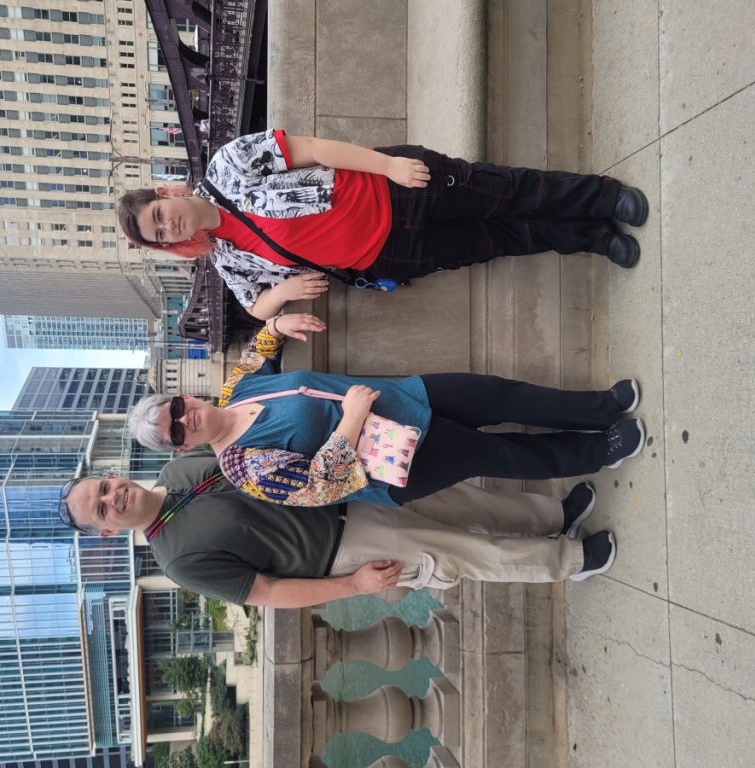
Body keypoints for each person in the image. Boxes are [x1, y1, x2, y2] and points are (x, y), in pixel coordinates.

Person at [115, 129, 649, 318]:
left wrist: (389, 164)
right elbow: (253, 305)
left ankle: (604, 197)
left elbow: (312, 149)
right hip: (390, 255)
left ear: (166, 194)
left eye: (160, 216)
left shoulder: (227, 165)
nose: (172, 227)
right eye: (161, 235)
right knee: (505, 238)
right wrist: (284, 295)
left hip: (395, 188)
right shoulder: (227, 257)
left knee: (510, 190)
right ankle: (594, 238)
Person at [127, 314, 645, 508]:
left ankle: (602, 406)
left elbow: (259, 347)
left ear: (184, 395)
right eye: (174, 432)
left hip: (404, 396)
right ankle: (598, 451)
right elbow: (316, 490)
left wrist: (280, 326)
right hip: (396, 458)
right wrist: (350, 420)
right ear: (183, 447)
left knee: (503, 394)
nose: (182, 418)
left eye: (175, 407)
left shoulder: (237, 388)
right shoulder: (240, 468)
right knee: (500, 453)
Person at [57, 455, 616, 607]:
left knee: (463, 501)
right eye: (102, 510)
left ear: (112, 475)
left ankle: (556, 517)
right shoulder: (178, 561)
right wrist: (352, 587)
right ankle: (571, 562)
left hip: (345, 492)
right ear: (108, 532)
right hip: (342, 549)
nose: (113, 497)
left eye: (103, 488)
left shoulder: (178, 471)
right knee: (464, 553)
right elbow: (269, 593)